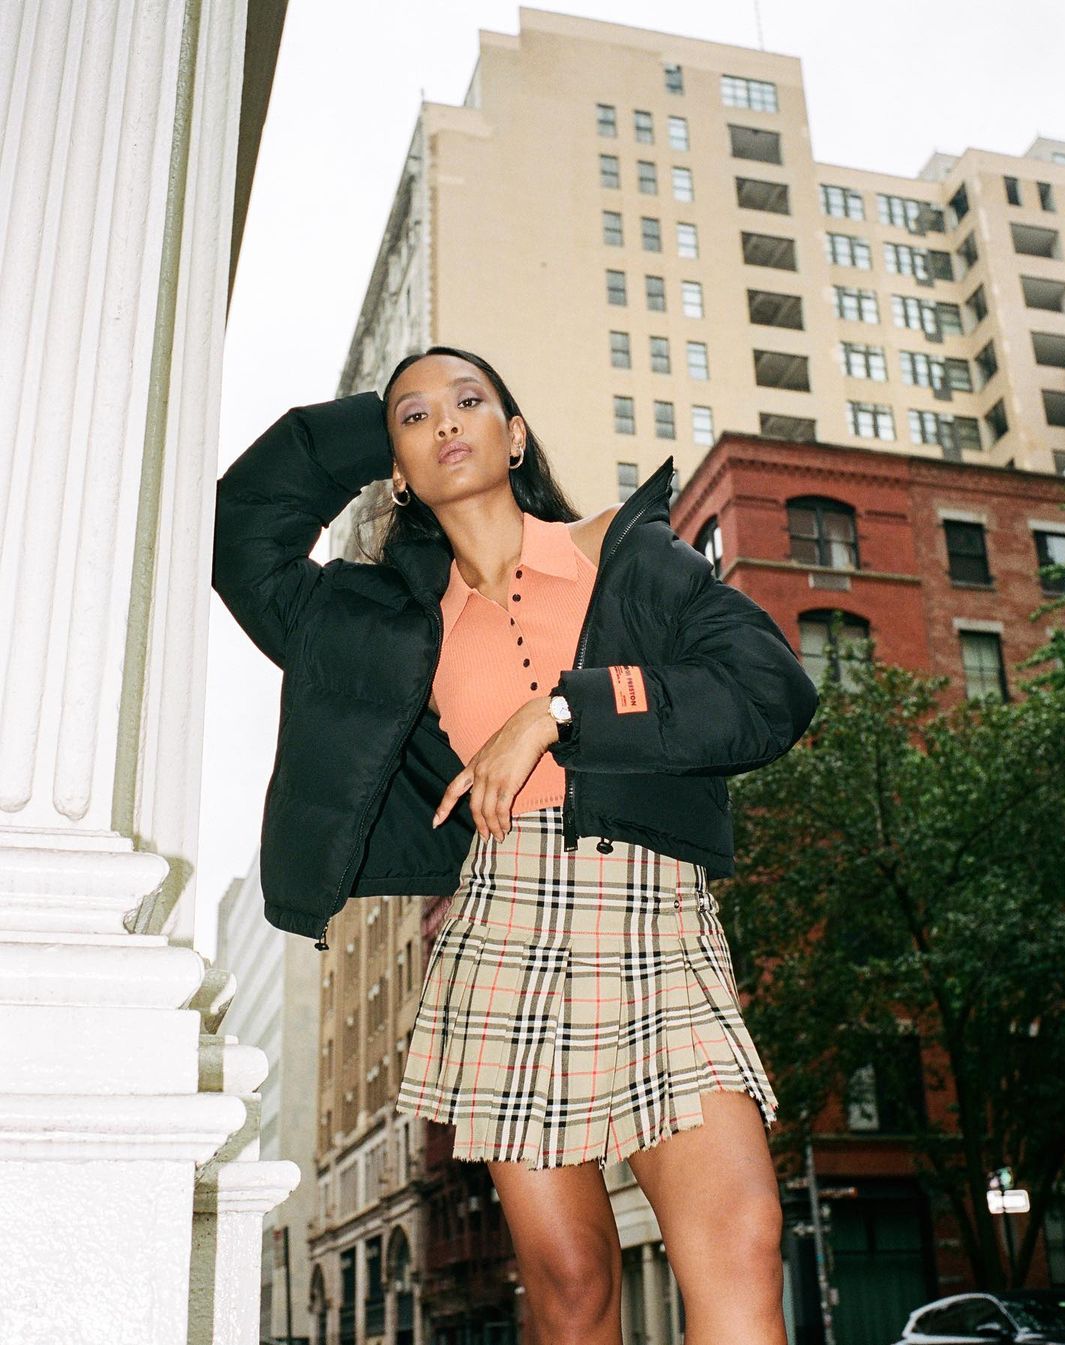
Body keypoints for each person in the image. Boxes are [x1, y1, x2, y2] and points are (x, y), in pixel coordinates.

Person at [212, 345, 819, 1345]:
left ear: (516, 435)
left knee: (742, 1240)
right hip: (507, 931)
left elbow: (770, 689)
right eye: (417, 416)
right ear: (395, 467)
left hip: (657, 918)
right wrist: (379, 423)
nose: (446, 422)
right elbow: (245, 532)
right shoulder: (382, 623)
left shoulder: (621, 553)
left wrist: (559, 710)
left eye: (469, 401)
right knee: (572, 1286)